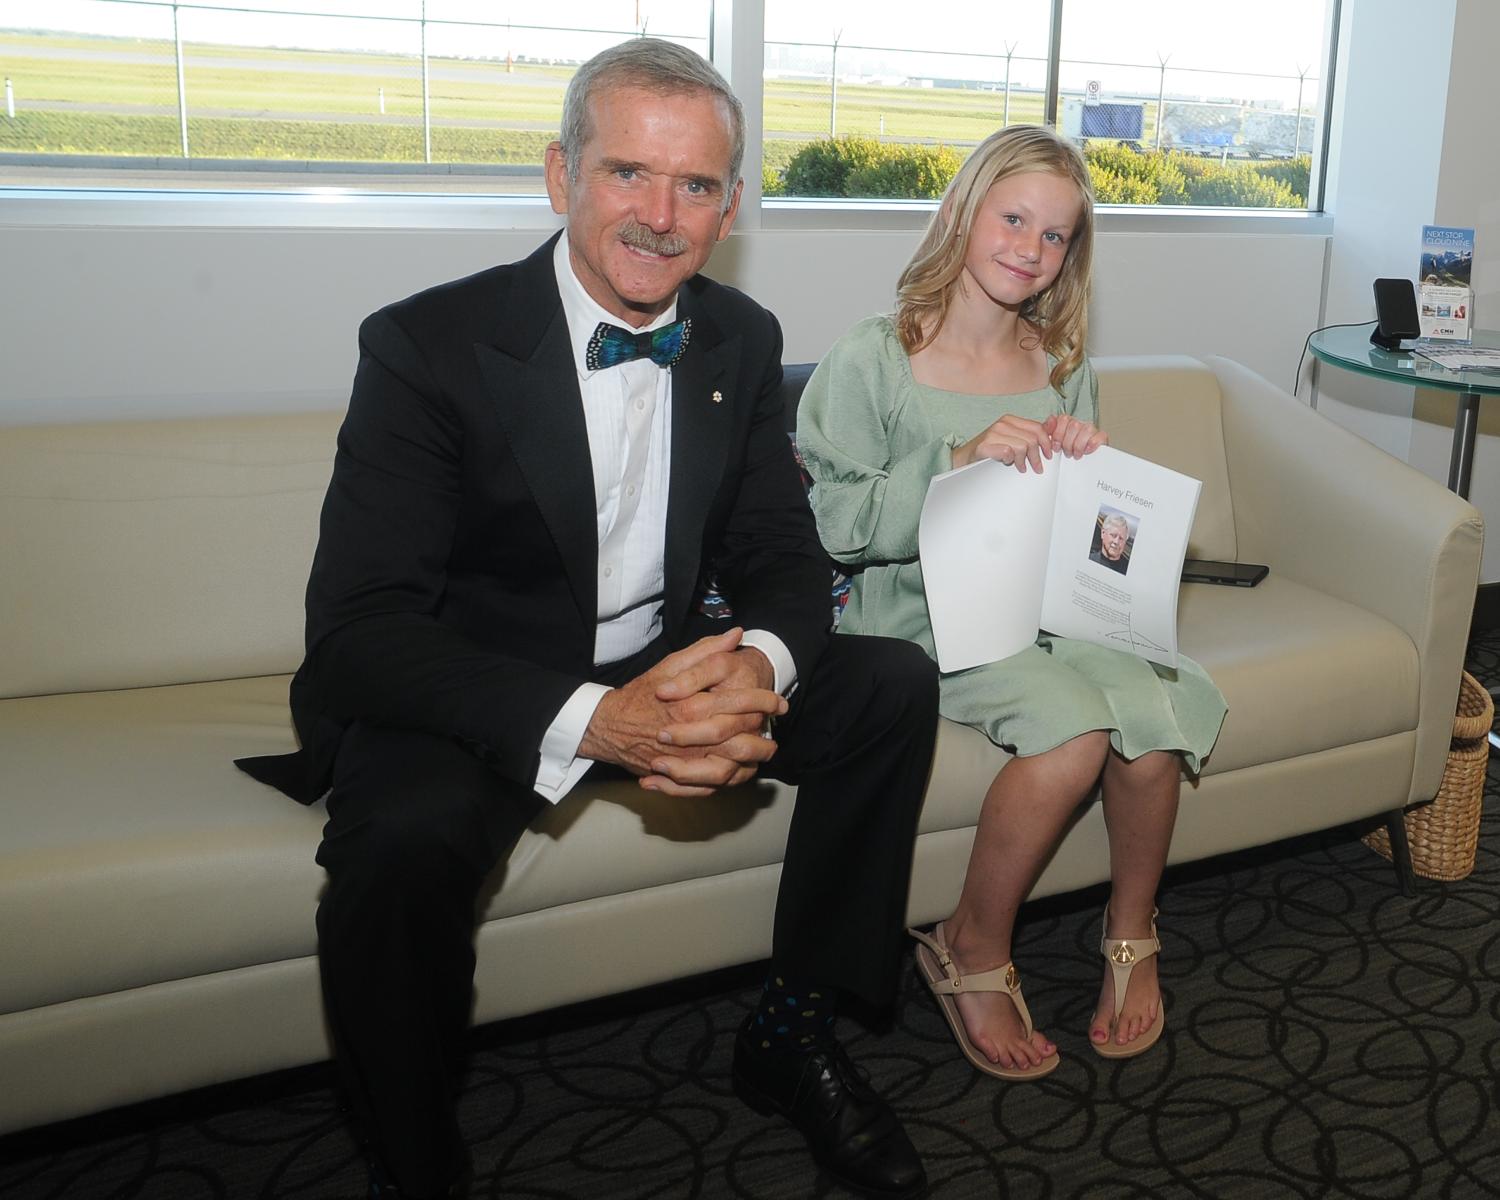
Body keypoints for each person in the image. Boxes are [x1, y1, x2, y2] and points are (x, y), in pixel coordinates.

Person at [237, 39, 938, 1200]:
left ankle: (793, 1031)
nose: (661, 217)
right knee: (397, 848)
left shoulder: (741, 337)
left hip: (664, 662)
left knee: (889, 688)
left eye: (696, 185)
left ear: (730, 206)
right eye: (627, 173)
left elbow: (780, 552)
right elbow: (361, 629)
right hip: (478, 685)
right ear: (561, 174)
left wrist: (757, 667)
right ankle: (417, 1165)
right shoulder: (424, 345)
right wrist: (602, 721)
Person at [797, 125, 1226, 1080]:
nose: (1031, 249)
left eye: (1056, 235)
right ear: (962, 211)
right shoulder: (873, 357)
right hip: (925, 619)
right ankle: (971, 943)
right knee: (1072, 731)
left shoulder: (1061, 362)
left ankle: (1131, 932)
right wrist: (954, 459)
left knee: (1155, 712)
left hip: (1045, 606)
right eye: (1015, 219)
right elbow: (835, 523)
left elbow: (1083, 528)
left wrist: (1088, 470)